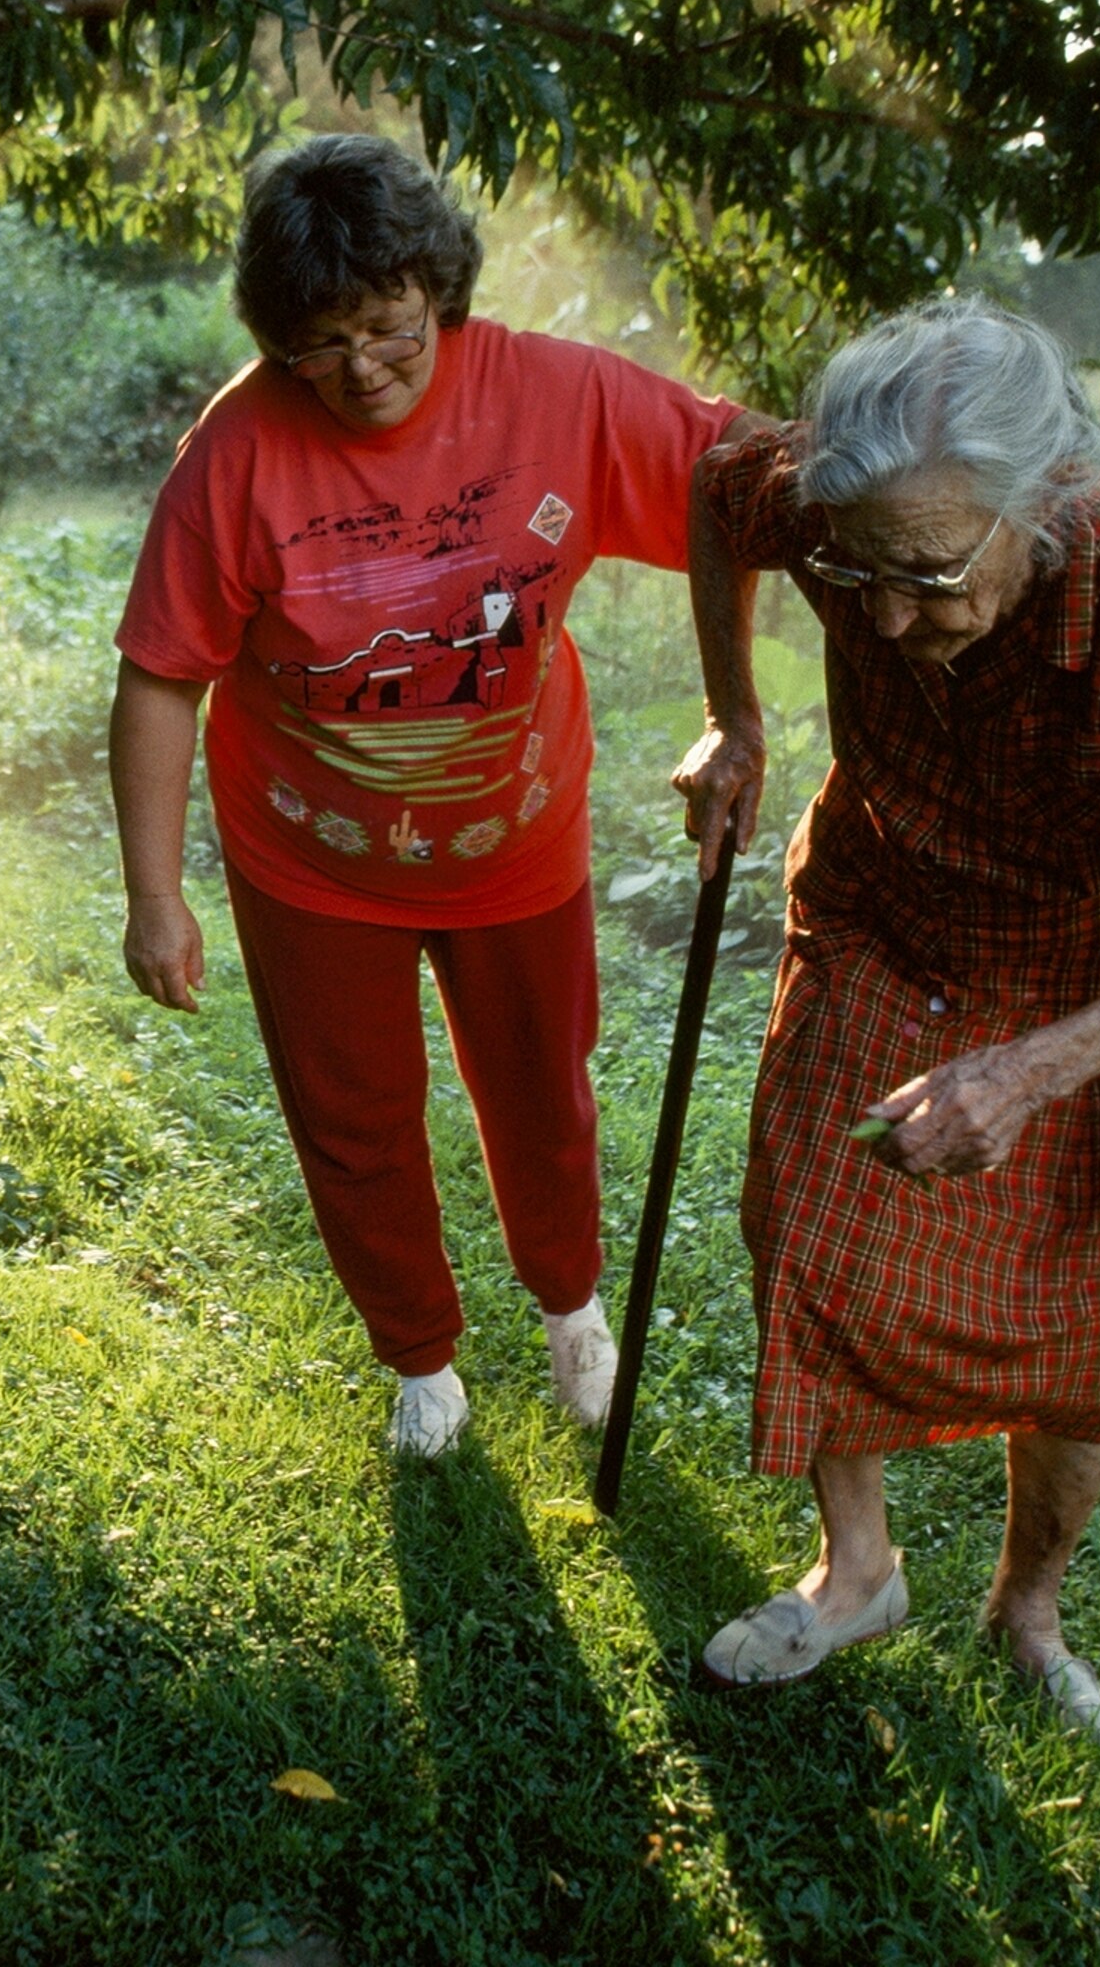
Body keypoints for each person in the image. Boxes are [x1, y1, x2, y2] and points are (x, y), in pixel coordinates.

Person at [670, 298, 1100, 1746]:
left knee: (1094, 1306)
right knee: (811, 1203)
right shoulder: (836, 501)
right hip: (898, 890)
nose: (887, 616)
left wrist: (1029, 1070)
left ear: (1042, 507)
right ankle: (859, 1570)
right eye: (857, 572)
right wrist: (736, 714)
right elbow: (715, 490)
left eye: (933, 575)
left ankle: (1026, 1615)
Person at [110, 133, 770, 1457]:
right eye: (320, 342)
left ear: (439, 292)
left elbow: (743, 482)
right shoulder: (237, 451)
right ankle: (421, 1360)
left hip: (514, 842)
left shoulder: (553, 397)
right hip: (311, 859)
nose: (359, 367)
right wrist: (154, 894)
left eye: (389, 327)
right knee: (351, 1116)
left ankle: (573, 1310)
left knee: (543, 1090)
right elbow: (161, 677)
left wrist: (733, 708)